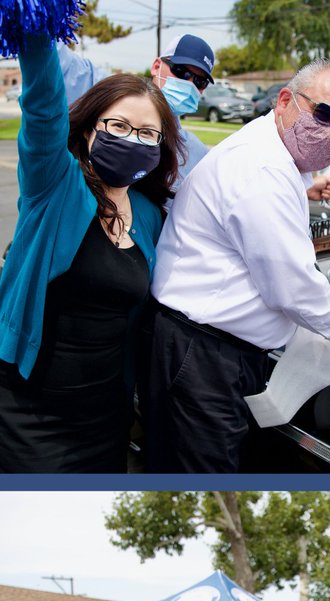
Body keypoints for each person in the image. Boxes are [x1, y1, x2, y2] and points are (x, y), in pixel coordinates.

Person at [145, 59, 330, 472]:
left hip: (208, 348)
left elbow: (274, 259)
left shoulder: (274, 157)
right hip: (203, 353)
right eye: (325, 114)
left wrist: (325, 290)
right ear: (284, 101)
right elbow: (289, 287)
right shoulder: (261, 169)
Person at [0, 34, 179, 472]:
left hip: (104, 418)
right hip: (30, 410)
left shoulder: (150, 214)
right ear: (87, 130)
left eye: (147, 134)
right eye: (118, 126)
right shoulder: (55, 186)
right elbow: (43, 106)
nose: (133, 140)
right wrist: (37, 29)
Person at [58, 33, 215, 183]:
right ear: (156, 66)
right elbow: (50, 52)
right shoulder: (106, 92)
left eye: (200, 81)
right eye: (181, 72)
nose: (189, 83)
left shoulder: (195, 152)